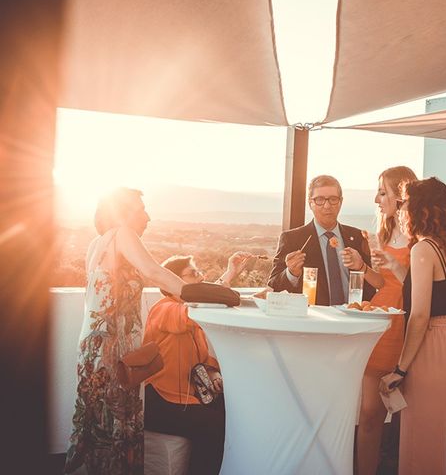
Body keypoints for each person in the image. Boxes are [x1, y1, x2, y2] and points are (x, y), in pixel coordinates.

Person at [65, 188, 186, 474]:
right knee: (116, 421)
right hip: (112, 350)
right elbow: (154, 271)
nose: (148, 217)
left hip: (93, 348)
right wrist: (200, 295)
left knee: (96, 424)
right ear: (122, 213)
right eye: (141, 210)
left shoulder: (97, 244)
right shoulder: (122, 234)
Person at [380, 177, 446, 475]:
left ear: (419, 210)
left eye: (405, 203)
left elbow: (420, 315)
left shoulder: (423, 249)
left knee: (422, 445)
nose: (401, 209)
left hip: (434, 346)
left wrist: (401, 369)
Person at [143, 252, 252, 475]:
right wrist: (227, 281)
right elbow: (200, 306)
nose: (200, 278)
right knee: (217, 424)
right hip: (162, 403)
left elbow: (203, 360)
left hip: (190, 398)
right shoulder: (165, 309)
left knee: (238, 412)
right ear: (173, 281)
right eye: (194, 274)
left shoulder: (189, 310)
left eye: (200, 272)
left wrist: (214, 375)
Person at [342, 166, 417, 475]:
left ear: (401, 195)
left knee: (407, 412)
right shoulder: (385, 232)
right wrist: (361, 266)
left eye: (382, 192)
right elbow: (383, 283)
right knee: (370, 411)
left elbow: (416, 286)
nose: (376, 198)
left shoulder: (420, 236)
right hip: (381, 323)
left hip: (410, 323)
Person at [268, 175, 374, 305]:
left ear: (341, 201)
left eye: (333, 199)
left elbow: (370, 286)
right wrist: (291, 273)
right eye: (319, 199)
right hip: (312, 320)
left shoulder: (357, 237)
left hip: (352, 318)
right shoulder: (292, 239)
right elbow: (274, 286)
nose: (327, 205)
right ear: (310, 203)